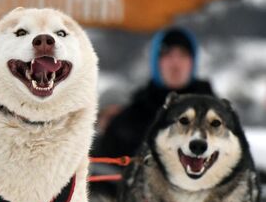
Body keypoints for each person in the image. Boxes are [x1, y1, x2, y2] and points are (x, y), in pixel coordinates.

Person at [92, 27, 215, 158]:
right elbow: (102, 165)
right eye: (167, 55)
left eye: (183, 54)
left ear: (193, 61)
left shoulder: (216, 115)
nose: (175, 63)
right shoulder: (130, 119)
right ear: (156, 61)